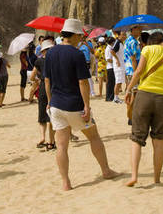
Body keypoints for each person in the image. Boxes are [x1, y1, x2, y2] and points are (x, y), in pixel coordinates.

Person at [44, 18, 119, 191]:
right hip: (74, 104)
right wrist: (87, 105)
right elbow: (83, 83)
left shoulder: (51, 53)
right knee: (94, 136)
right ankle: (106, 171)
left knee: (61, 146)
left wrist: (49, 102)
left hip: (56, 104)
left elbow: (47, 81)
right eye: (80, 36)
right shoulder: (77, 54)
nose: (81, 39)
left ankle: (66, 182)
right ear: (76, 35)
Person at [123, 30, 163, 186]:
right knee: (159, 141)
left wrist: (129, 89)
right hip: (162, 99)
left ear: (152, 41)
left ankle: (134, 176)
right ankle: (157, 179)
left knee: (137, 138)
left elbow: (138, 72)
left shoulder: (147, 49)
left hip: (144, 96)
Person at [31, 39, 56, 150]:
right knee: (52, 116)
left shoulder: (39, 61)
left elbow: (32, 77)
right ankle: (51, 141)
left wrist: (38, 80)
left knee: (42, 114)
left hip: (42, 88)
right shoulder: (56, 60)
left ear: (43, 51)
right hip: (54, 88)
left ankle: (42, 137)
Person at [110, 30, 126, 102]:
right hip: (118, 65)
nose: (124, 36)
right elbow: (112, 51)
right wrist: (117, 60)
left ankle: (116, 97)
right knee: (118, 81)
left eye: (125, 35)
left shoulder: (121, 43)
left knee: (120, 81)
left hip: (121, 64)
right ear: (118, 35)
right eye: (122, 35)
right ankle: (115, 98)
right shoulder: (117, 42)